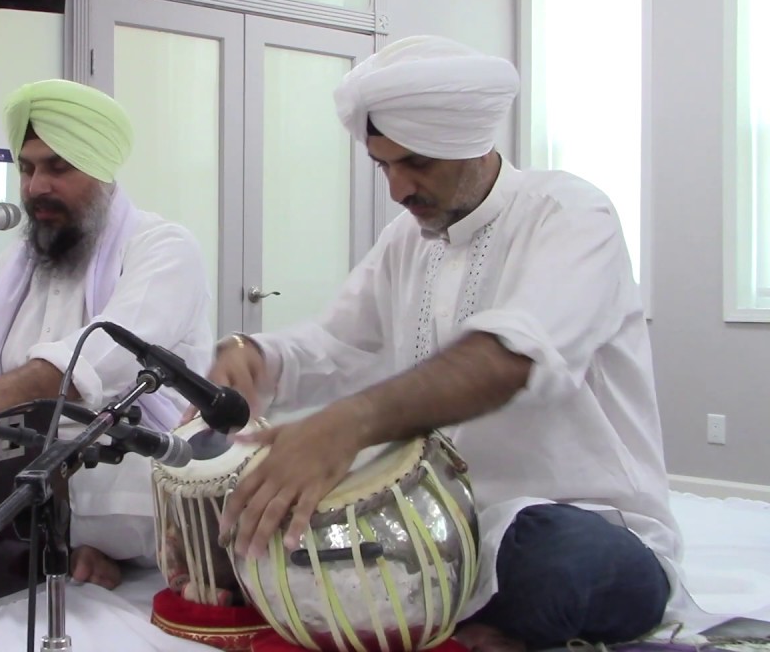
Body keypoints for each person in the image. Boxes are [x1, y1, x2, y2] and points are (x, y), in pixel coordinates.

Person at [204, 36, 684, 652]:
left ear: (470, 144)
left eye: (416, 164)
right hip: (441, 531)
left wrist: (348, 424)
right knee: (285, 541)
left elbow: (508, 358)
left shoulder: (569, 213)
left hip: (584, 521)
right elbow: (335, 344)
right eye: (384, 166)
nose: (399, 189)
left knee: (552, 565)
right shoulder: (406, 241)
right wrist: (256, 355)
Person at [0, 79, 213, 590]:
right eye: (28, 168)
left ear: (101, 170)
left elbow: (104, 355)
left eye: (58, 167)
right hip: (27, 531)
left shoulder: (163, 248)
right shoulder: (19, 265)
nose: (36, 186)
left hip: (147, 538)